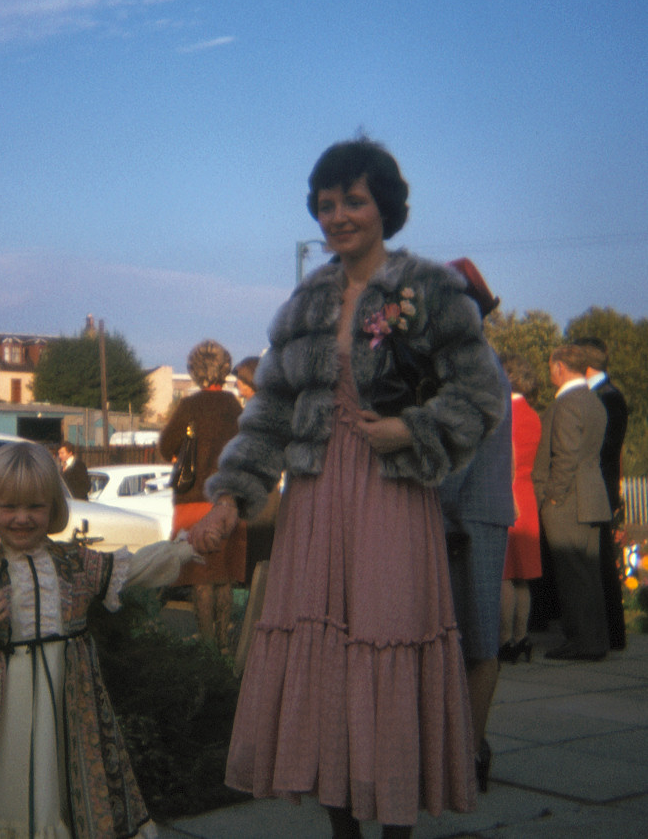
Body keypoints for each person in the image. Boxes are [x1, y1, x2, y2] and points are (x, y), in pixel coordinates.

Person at [191, 139, 505, 838]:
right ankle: (342, 829)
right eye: (326, 204)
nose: (337, 216)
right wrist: (230, 498)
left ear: (384, 206)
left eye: (353, 201)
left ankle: (395, 824)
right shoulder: (305, 301)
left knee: (389, 643)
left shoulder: (430, 290)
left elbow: (482, 398)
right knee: (325, 660)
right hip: (314, 500)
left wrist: (413, 429)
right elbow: (269, 410)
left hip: (392, 496)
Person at [0, 441, 198, 839]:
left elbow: (134, 568)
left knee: (61, 782)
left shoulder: (73, 562)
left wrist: (187, 548)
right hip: (2, 706)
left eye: (35, 507)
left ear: (53, 508)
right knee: (7, 786)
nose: (22, 518)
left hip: (68, 701)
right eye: (9, 507)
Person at [438, 258, 514, 795]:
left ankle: (468, 754)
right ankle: (467, 751)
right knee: (472, 638)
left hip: (469, 518)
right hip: (475, 515)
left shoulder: (472, 365)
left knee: (477, 641)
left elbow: (456, 455)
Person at [158, 340, 246, 652]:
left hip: (193, 500)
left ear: (195, 371)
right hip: (228, 501)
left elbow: (166, 447)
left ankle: (206, 647)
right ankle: (224, 644)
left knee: (200, 577)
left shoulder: (189, 406)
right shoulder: (234, 407)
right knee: (224, 576)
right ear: (225, 368)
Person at [534, 345, 611, 661]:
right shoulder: (594, 401)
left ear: (560, 367)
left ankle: (582, 642)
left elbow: (565, 456)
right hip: (591, 497)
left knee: (572, 575)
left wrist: (553, 495)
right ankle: (595, 639)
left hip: (568, 500)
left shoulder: (566, 404)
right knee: (588, 574)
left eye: (551, 366)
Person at [574, 336, 629, 650]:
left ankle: (612, 632)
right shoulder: (602, 394)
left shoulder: (609, 397)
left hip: (599, 487)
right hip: (596, 484)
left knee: (602, 561)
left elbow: (606, 448)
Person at [230, 355, 281, 676]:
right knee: (257, 568)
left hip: (261, 497)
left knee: (258, 567)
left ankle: (251, 644)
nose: (237, 385)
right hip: (262, 495)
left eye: (240, 380)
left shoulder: (260, 412)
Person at [497, 354, 543, 664]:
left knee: (504, 574)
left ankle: (505, 641)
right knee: (523, 577)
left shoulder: (503, 414)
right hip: (527, 495)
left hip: (506, 494)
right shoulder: (534, 416)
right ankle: (522, 636)